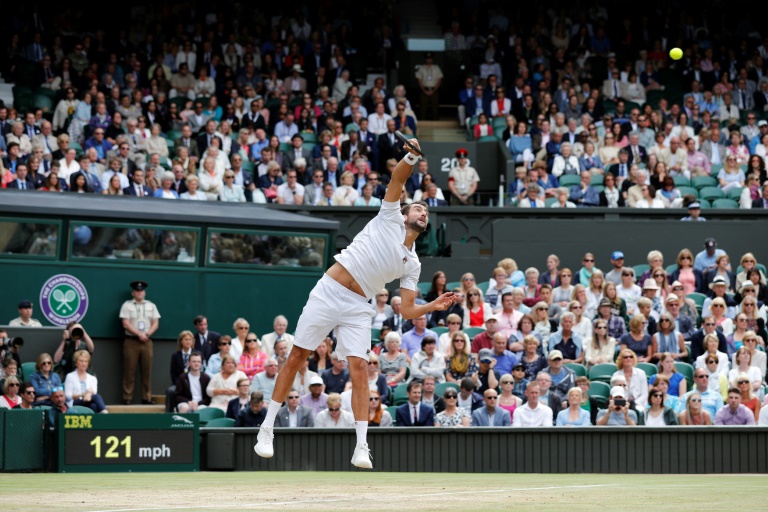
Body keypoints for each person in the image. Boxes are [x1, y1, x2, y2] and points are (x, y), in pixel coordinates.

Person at [254, 139, 455, 466]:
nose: (423, 212)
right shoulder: (389, 215)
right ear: (405, 214)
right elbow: (398, 179)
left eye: (427, 211)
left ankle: (362, 445)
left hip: (359, 306)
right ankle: (267, 428)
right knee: (297, 356)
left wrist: (432, 307)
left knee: (360, 368)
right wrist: (410, 156)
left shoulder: (414, 264)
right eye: (418, 208)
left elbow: (407, 309)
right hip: (329, 291)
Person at [119, 280, 160, 405]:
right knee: (129, 370)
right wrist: (139, 334)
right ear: (133, 292)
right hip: (131, 341)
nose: (139, 292)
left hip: (147, 341)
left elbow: (156, 323)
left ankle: (146, 397)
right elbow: (125, 323)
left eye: (141, 290)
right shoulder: (127, 305)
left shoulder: (151, 305)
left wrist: (147, 334)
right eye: (137, 290)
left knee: (147, 370)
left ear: (144, 292)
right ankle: (127, 398)